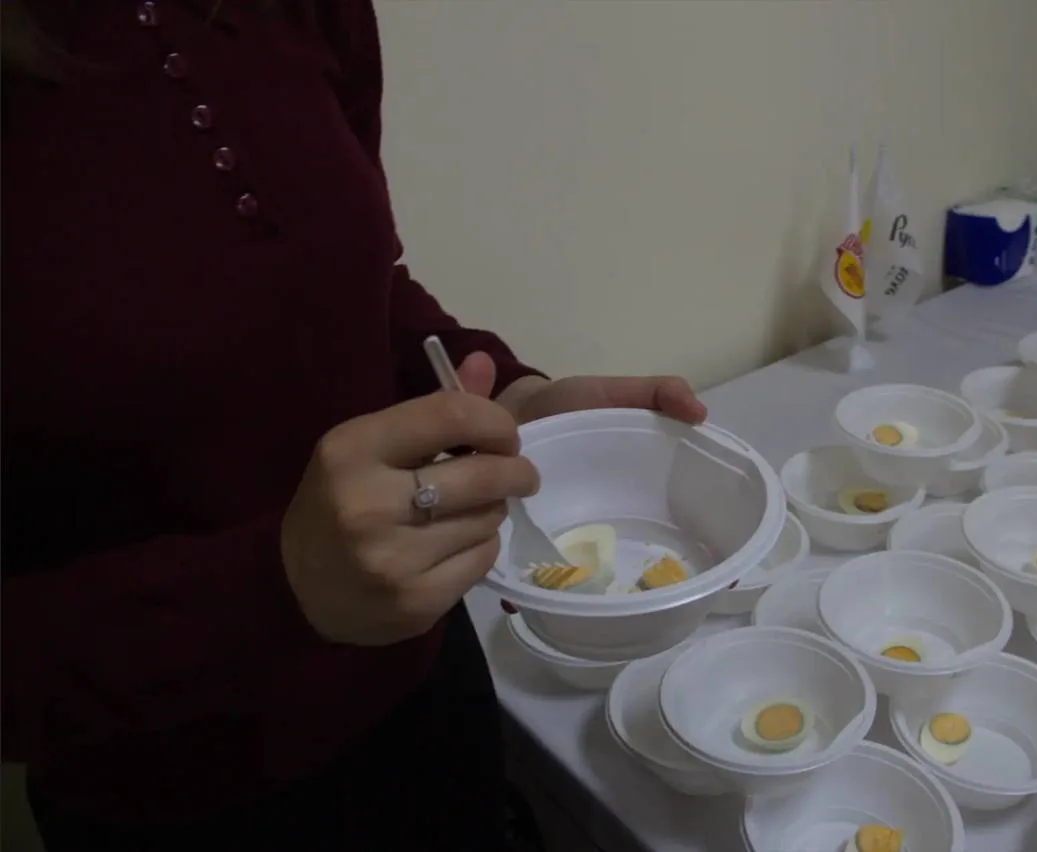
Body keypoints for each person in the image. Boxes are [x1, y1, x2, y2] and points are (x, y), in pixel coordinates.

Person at [0, 2, 707, 849]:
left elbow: (349, 283)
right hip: (173, 801)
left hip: (426, 699)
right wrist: (273, 588)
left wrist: (511, 401)